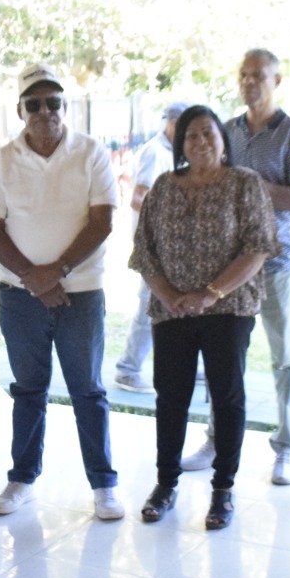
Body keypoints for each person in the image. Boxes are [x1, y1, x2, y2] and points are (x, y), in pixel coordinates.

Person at [0, 63, 123, 521]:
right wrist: (32, 278)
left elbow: (103, 222)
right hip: (20, 296)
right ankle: (22, 477)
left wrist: (55, 273)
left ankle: (104, 485)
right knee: (28, 390)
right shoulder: (2, 159)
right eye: (35, 104)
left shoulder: (91, 153)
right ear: (21, 110)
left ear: (66, 106)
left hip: (80, 293)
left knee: (88, 390)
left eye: (54, 102)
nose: (46, 111)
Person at [130, 105, 276, 531]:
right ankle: (165, 484)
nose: (200, 141)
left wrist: (209, 295)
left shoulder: (243, 184)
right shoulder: (162, 186)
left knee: (226, 396)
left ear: (223, 140)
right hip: (171, 310)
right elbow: (144, 251)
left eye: (208, 133)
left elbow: (258, 247)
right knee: (169, 398)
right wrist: (173, 296)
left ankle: (223, 490)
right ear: (180, 144)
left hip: (228, 309)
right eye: (191, 135)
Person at [183, 49, 290, 484]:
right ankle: (216, 438)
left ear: (278, 79)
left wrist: (253, 184)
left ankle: (288, 447)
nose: (249, 82)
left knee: (286, 359)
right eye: (243, 75)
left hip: (276, 262)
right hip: (230, 266)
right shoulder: (228, 130)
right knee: (223, 360)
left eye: (259, 75)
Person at [113, 101, 187, 394]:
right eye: (183, 125)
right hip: (153, 243)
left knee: (163, 304)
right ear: (170, 123)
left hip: (169, 243)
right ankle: (128, 369)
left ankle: (190, 368)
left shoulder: (172, 152)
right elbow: (137, 198)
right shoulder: (155, 152)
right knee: (149, 304)